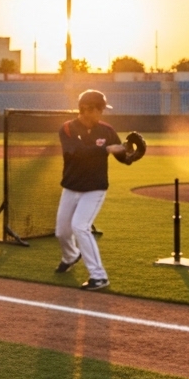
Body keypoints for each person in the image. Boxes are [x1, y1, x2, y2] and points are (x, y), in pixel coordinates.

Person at [54, 89, 128, 290]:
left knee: (80, 226)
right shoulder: (67, 129)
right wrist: (105, 150)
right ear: (86, 109)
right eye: (99, 109)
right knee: (61, 232)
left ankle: (99, 276)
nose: (101, 113)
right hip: (71, 187)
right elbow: (76, 152)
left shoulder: (107, 130)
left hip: (94, 188)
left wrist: (130, 152)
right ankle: (71, 256)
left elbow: (122, 155)